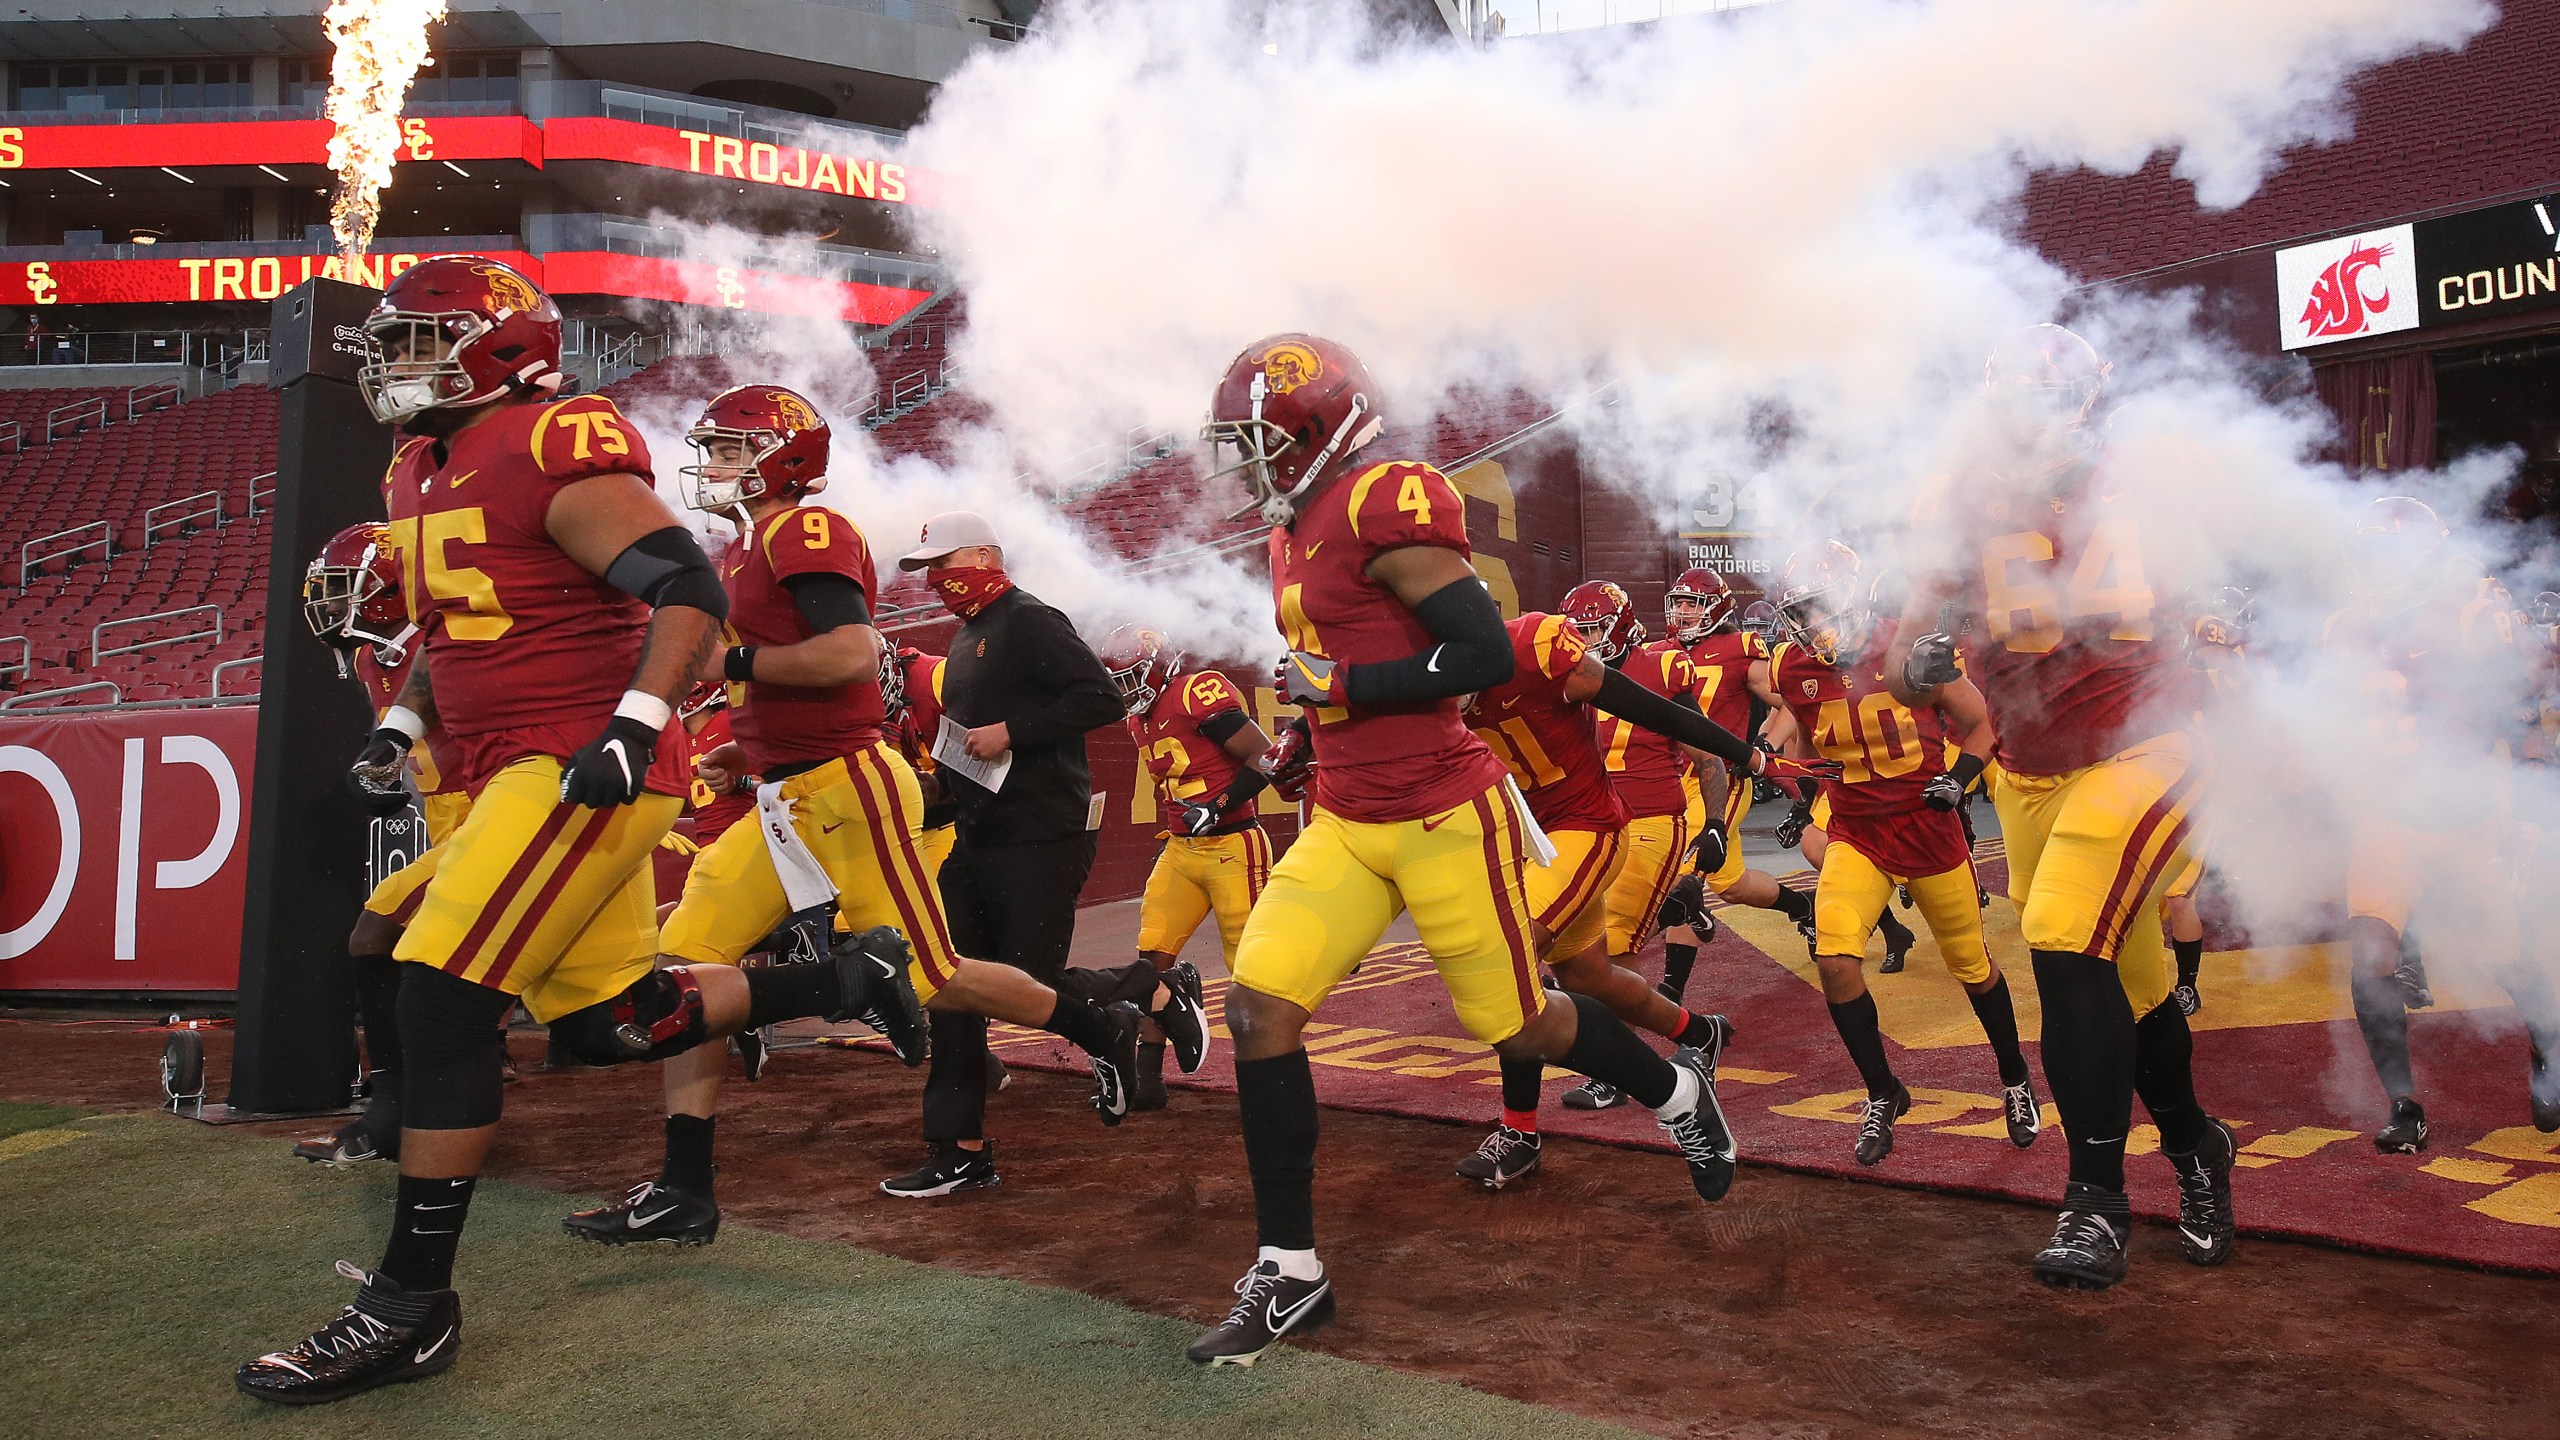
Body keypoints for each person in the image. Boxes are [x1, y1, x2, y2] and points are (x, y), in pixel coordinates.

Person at [236, 258, 923, 1405]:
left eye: (420, 341)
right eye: (394, 345)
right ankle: (847, 978)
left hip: (576, 762)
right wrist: (404, 726)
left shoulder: (551, 440)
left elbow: (685, 586)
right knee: (611, 1021)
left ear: (498, 351)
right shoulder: (416, 465)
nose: (394, 365)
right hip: (515, 758)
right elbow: (453, 635)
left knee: (439, 992)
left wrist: (633, 722)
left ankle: (411, 1305)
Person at [1187, 333, 1753, 1366]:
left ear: (1315, 431)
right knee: (1259, 1008)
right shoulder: (1293, 527)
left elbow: (1479, 655)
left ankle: (1676, 1092)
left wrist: (1341, 691)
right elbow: (1337, 660)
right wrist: (1309, 733)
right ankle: (1290, 1268)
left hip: (1447, 815)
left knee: (1522, 1022)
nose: (1242, 464)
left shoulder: (1379, 499)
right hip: (1349, 820)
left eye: (1256, 442)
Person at [1885, 322, 2235, 1289]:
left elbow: (2233, 582)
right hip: (2030, 771)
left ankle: (2095, 1204)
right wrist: (1916, 668)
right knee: (2127, 976)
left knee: (2061, 935)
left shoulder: (2152, 473)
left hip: (2150, 746)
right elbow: (1905, 658)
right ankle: (2200, 1148)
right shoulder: (1962, 496)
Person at [1452, 601, 1824, 1188]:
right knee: (1590, 978)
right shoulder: (1414, 670)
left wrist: (1745, 757)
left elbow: (1664, 716)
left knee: (1510, 963)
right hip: (1522, 834)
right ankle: (1696, 1032)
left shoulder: (1540, 650)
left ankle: (1525, 1128)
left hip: (1585, 823)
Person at [889, 511, 1206, 1197]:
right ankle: (960, 1149)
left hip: (1041, 832)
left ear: (985, 554)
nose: (937, 578)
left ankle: (1141, 997)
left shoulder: (1029, 618)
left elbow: (1098, 696)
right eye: (928, 569)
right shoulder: (968, 635)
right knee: (953, 985)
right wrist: (932, 794)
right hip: (978, 835)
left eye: (945, 562)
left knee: (1025, 987)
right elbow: (972, 751)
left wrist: (1013, 730)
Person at [1763, 542, 2037, 1166]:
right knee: (1835, 960)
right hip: (1857, 833)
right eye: (1801, 612)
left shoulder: (1910, 648)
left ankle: (2015, 1077)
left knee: (1971, 963)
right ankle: (1883, 1090)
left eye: (1820, 606)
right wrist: (1805, 785)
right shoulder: (1793, 667)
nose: (1812, 623)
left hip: (1926, 831)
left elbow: (1984, 722)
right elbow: (1813, 734)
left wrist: (1960, 777)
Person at [2324, 498, 2559, 1151]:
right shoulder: (2344, 626)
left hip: (2469, 811)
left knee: (2504, 956)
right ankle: (2405, 1105)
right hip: (2387, 815)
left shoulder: (2474, 611)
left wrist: (2533, 790)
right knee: (2372, 953)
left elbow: (2524, 697)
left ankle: (2549, 1044)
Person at [288, 522, 469, 1167]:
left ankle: (399, 1110)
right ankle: (410, 1106)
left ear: (388, 587)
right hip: (449, 813)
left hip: (492, 808)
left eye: (342, 589)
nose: (329, 605)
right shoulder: (373, 656)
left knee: (379, 937)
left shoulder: (441, 638)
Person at [1100, 623, 1271, 1109]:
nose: (1126, 690)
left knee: (1253, 972)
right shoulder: (1139, 719)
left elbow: (1263, 756)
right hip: (1181, 849)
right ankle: (1148, 1078)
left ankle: (1263, 1079)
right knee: (1150, 958)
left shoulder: (1197, 692)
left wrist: (1217, 806)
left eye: (1131, 677)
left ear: (1157, 667)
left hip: (1234, 846)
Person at [1664, 567, 1855, 990]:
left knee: (1684, 873)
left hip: (1721, 779)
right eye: (1677, 602)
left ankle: (1670, 994)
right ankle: (1803, 906)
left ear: (1715, 607)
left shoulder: (1738, 650)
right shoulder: (1661, 651)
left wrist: (1764, 745)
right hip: (1671, 778)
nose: (1681, 611)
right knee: (1730, 884)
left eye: (1691, 603)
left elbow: (1791, 697)